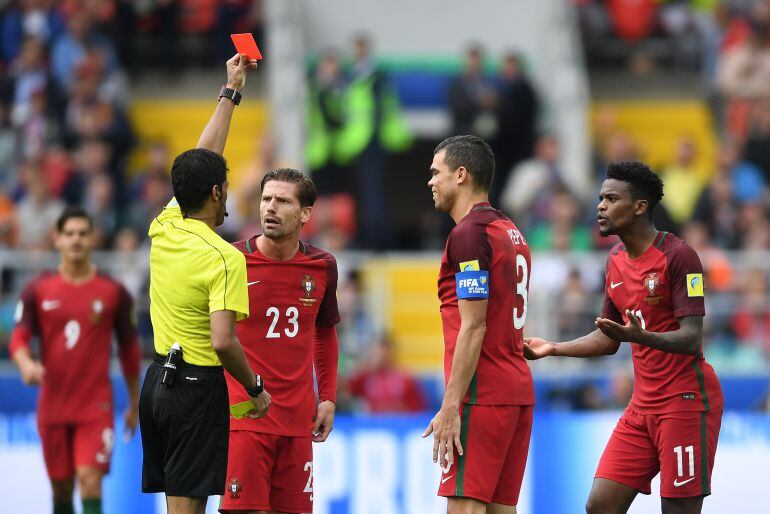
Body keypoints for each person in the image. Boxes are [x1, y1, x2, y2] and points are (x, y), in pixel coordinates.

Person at [525, 161, 723, 514]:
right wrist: (554, 348)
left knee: (677, 509)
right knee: (600, 505)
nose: (600, 206)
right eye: (600, 198)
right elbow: (609, 338)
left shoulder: (679, 256)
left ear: (640, 206)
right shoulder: (614, 259)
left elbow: (692, 338)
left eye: (611, 198)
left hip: (685, 401)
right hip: (642, 405)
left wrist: (642, 336)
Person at [138, 54, 270, 514]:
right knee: (189, 508)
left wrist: (230, 92)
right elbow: (223, 340)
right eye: (225, 184)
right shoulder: (226, 256)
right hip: (197, 387)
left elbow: (203, 159)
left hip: (156, 381)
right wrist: (255, 388)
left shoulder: (164, 225)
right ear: (217, 193)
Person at [424, 135, 534, 514]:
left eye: (436, 173)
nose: (430, 182)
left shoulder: (470, 235)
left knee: (466, 509)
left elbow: (474, 326)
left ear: (460, 175)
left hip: (482, 394)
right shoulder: (511, 231)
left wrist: (451, 404)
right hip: (516, 391)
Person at [220, 167, 340, 514]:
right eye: (266, 199)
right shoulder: (232, 261)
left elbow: (325, 331)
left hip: (297, 421)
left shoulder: (322, 266)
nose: (270, 208)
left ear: (305, 213)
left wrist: (328, 398)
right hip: (244, 416)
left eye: (282, 201)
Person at [9, 206, 141, 514]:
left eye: (83, 233)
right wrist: (26, 363)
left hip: (95, 406)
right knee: (62, 487)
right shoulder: (38, 290)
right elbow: (19, 335)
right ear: (56, 240)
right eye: (69, 234)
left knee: (89, 479)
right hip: (53, 405)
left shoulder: (113, 292)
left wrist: (134, 402)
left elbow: (130, 349)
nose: (76, 240)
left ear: (93, 238)